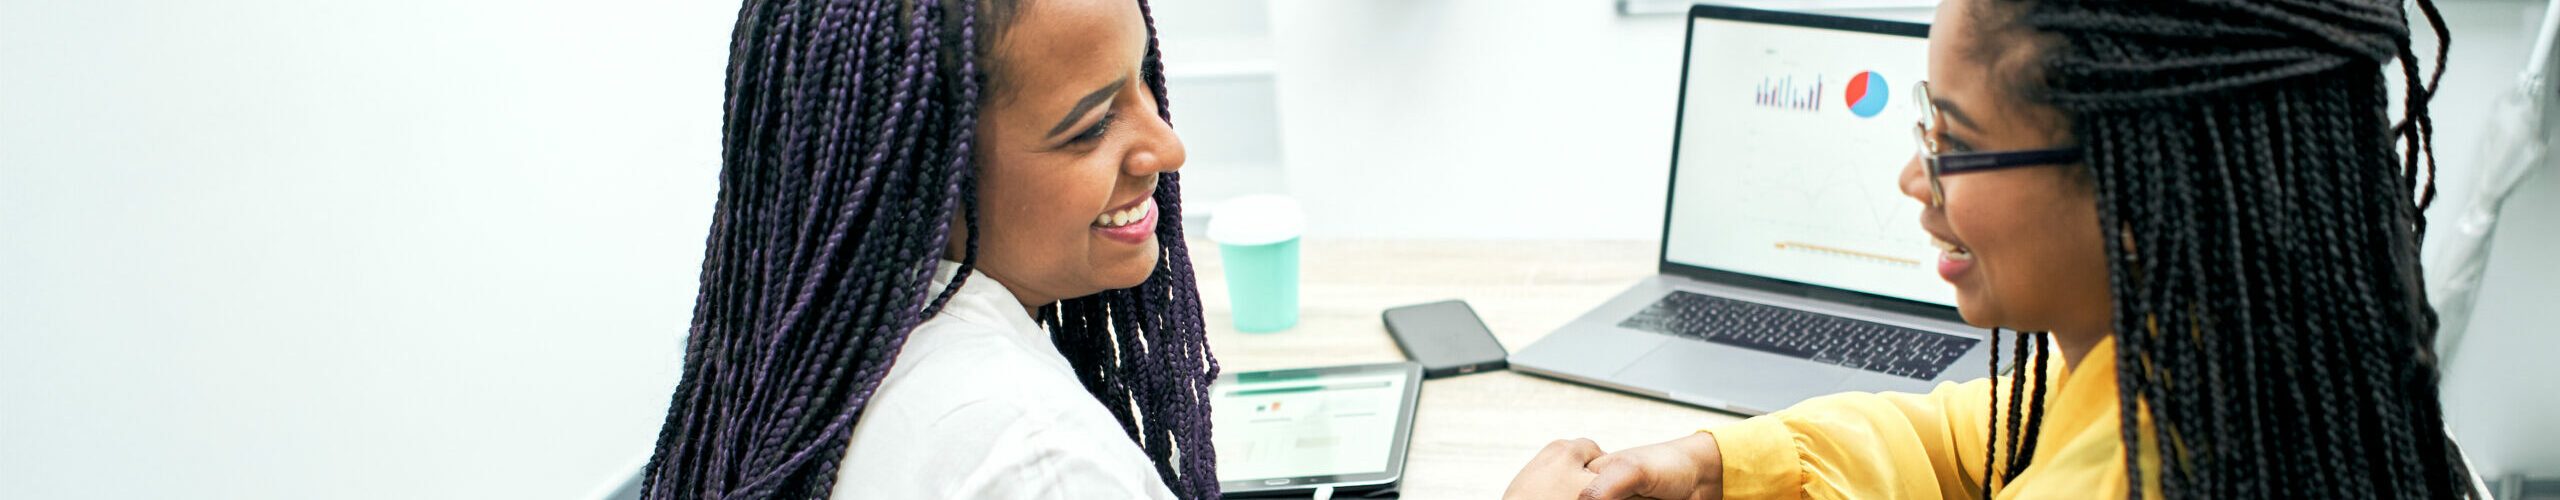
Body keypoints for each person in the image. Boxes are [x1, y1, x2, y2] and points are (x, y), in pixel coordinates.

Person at [1504, 0, 2472, 497]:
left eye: (1952, 143)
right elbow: (1986, 429)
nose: (1913, 178)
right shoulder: (2253, 358)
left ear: (2138, 183)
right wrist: (1730, 458)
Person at [637, 0, 1221, 498]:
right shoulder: (1039, 458)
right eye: (1092, 125)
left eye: (1143, 73)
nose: (1167, 148)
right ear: (921, 170)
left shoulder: (829, 360)